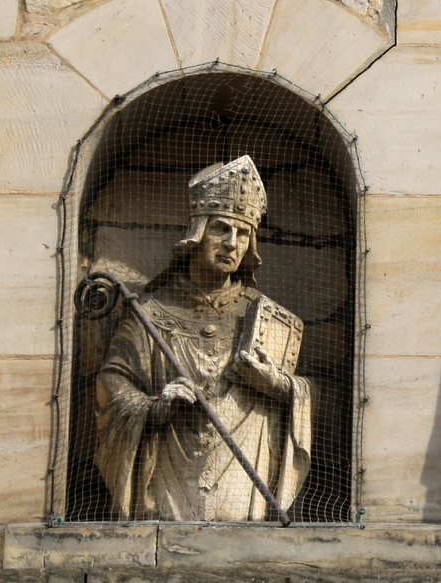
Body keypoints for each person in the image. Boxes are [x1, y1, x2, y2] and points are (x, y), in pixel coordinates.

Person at [94, 156, 312, 521]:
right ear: (197, 233)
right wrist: (155, 407)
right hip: (168, 471)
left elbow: (303, 391)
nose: (231, 243)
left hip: (245, 481)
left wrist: (279, 385)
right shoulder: (149, 312)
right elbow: (112, 385)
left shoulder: (268, 318)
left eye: (243, 234)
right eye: (221, 229)